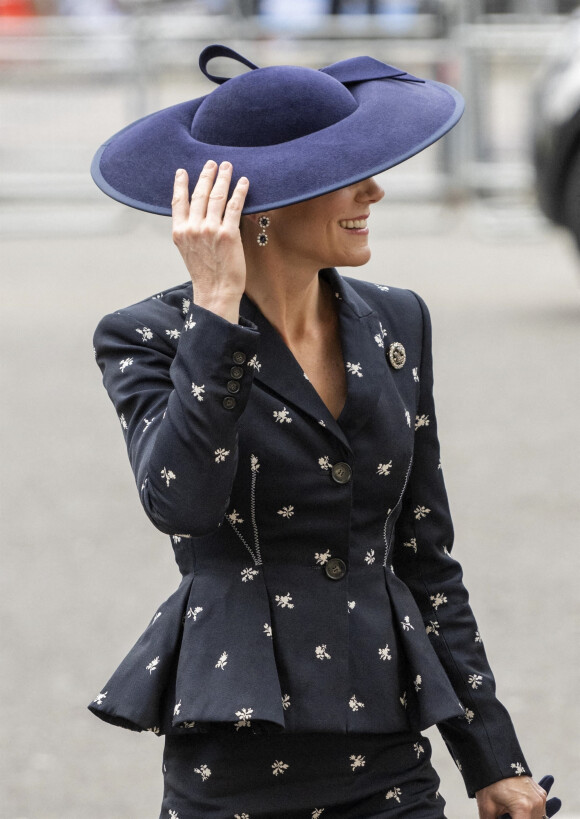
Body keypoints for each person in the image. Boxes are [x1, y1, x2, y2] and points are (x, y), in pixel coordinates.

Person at [88, 44, 559, 818]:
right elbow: (182, 501)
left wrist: (492, 757)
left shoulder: (397, 320)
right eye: (348, 174)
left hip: (387, 741)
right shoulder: (150, 335)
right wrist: (214, 314)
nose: (375, 190)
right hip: (235, 752)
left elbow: (423, 550)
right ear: (266, 203)